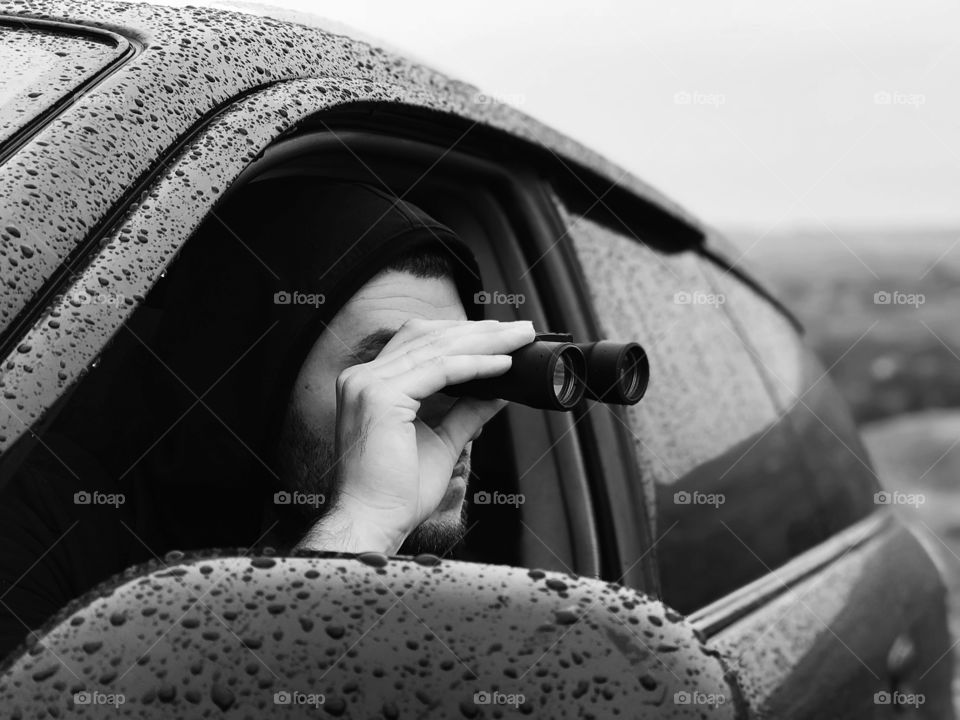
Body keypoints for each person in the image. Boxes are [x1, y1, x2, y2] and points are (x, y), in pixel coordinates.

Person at [0, 179, 532, 660]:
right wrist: (363, 524)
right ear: (253, 381)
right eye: (390, 367)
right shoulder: (46, 538)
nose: (436, 399)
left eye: (452, 369)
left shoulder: (470, 604)